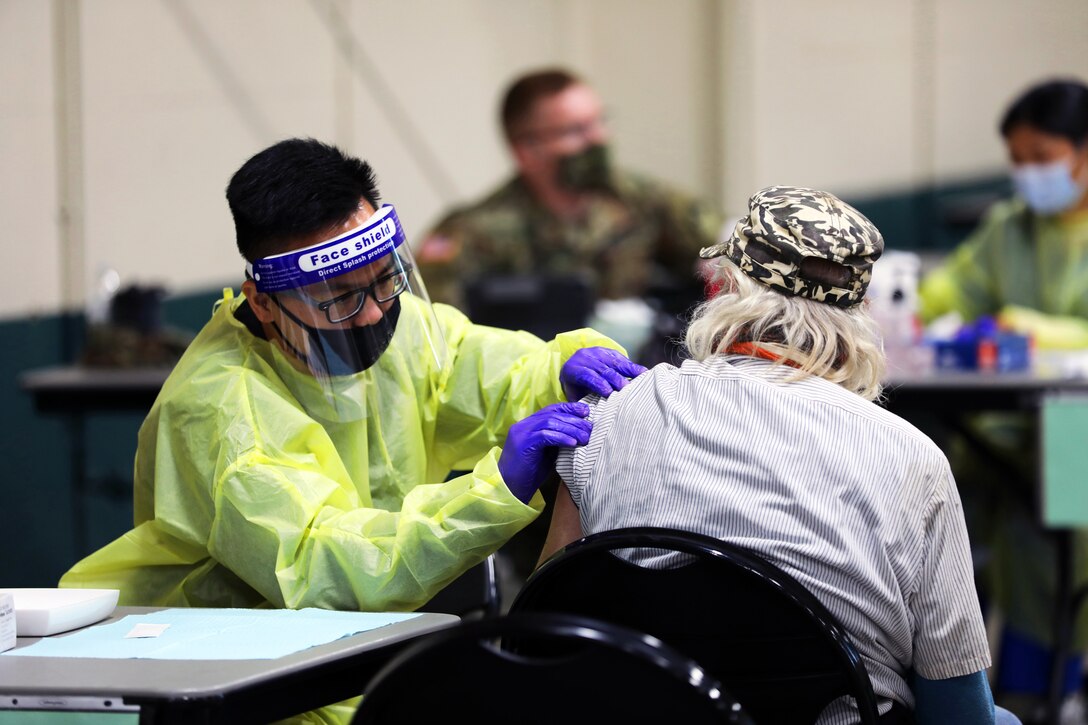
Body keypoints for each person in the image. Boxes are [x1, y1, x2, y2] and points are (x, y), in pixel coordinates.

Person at [59, 138, 644, 723]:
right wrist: (492, 493)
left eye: (385, 280)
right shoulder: (219, 415)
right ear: (262, 303)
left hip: (359, 659)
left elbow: (467, 364)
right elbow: (325, 571)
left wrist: (557, 371)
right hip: (241, 685)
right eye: (339, 297)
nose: (371, 313)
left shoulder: (392, 319)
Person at [541, 186, 1018, 725]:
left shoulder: (607, 415)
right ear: (862, 312)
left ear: (725, 285)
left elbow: (546, 627)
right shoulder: (913, 459)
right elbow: (960, 714)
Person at [918, 78, 1088, 717]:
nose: (1028, 173)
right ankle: (975, 697)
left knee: (1061, 561)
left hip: (1076, 429)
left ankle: (1052, 689)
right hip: (995, 430)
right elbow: (949, 294)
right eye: (1017, 160)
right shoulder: (1007, 227)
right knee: (961, 552)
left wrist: (1033, 329)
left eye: (1042, 156)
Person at [415, 67, 723, 316]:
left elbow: (727, 244)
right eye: (576, 131)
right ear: (527, 149)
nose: (599, 139)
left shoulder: (638, 198)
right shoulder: (473, 233)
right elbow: (431, 326)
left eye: (600, 122)